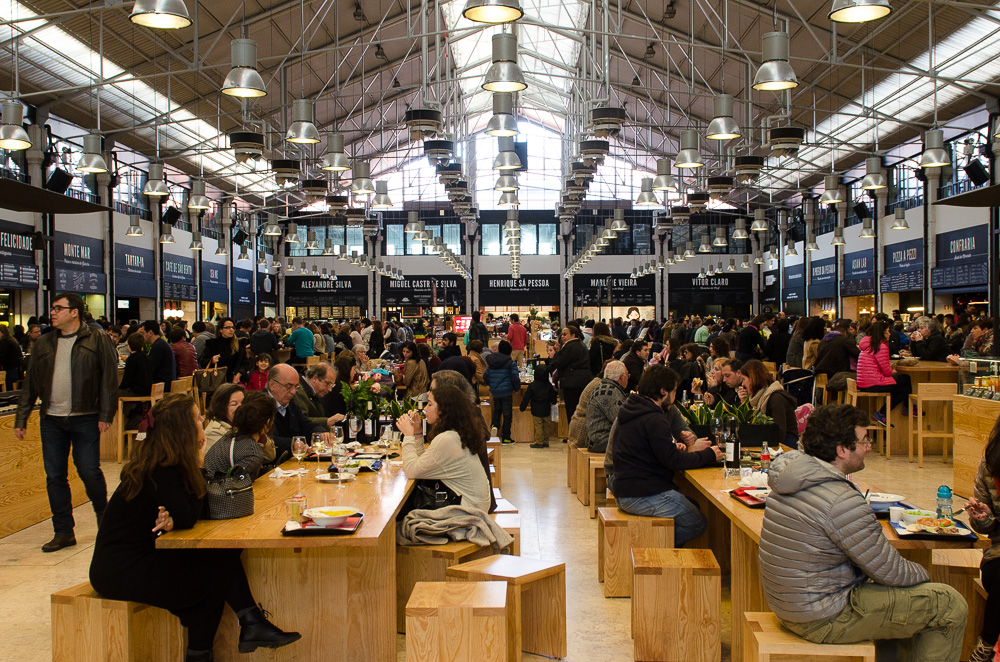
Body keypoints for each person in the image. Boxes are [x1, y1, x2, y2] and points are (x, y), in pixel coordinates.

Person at [89, 393, 300, 662]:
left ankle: (242, 628)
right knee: (213, 575)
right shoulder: (161, 468)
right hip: (121, 569)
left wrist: (178, 515)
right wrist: (199, 462)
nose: (204, 421)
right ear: (184, 430)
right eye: (198, 418)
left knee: (219, 557)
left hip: (144, 555)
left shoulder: (167, 463)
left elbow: (191, 512)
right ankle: (247, 625)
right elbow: (190, 515)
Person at [759, 404, 967, 661]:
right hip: (823, 616)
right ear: (842, 450)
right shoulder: (841, 499)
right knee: (947, 603)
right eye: (864, 440)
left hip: (790, 604)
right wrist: (926, 577)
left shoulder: (791, 479)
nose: (869, 446)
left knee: (901, 599)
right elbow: (890, 571)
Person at [14, 293, 118, 552]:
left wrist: (106, 414)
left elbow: (108, 377)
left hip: (85, 417)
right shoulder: (44, 342)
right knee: (55, 476)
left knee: (89, 471)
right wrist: (22, 416)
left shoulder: (97, 339)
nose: (53, 312)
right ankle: (63, 531)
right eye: (52, 308)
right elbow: (32, 382)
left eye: (58, 308)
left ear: (75, 312)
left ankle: (104, 520)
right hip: (52, 419)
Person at [611, 365, 723, 545]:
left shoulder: (634, 410)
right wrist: (709, 454)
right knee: (697, 523)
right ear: (663, 391)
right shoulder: (654, 418)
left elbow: (655, 452)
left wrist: (673, 448)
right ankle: (647, 549)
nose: (675, 396)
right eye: (674, 391)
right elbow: (673, 461)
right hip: (641, 493)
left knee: (693, 505)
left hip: (627, 488)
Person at [396, 383, 491, 512]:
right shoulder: (455, 433)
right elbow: (423, 466)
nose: (425, 409)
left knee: (403, 524)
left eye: (430, 404)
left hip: (467, 511)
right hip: (472, 505)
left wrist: (408, 436)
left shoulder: (448, 439)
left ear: (443, 409)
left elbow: (412, 471)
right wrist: (417, 432)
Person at [964, 414, 1000, 662]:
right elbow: (985, 528)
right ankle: (986, 646)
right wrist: (983, 518)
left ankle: (986, 644)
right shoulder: (990, 464)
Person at [203, 390, 277, 482]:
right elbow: (236, 484)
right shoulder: (253, 453)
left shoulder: (231, 436)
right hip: (217, 494)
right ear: (268, 422)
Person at [858, 320, 912, 427]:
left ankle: (907, 408)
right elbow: (887, 373)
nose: (890, 333)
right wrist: (893, 371)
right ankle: (884, 412)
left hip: (863, 383)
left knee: (902, 383)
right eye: (887, 331)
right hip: (873, 384)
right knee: (905, 381)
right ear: (882, 333)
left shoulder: (868, 344)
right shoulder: (880, 346)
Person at [266, 363, 328, 456]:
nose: (293, 392)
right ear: (272, 385)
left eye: (296, 387)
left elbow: (305, 424)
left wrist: (322, 433)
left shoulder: (290, 404)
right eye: (289, 386)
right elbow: (264, 439)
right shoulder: (260, 406)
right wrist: (292, 444)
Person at [739, 360, 800, 445]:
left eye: (744, 379)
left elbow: (780, 434)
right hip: (770, 440)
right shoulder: (758, 397)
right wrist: (743, 402)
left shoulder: (776, 398)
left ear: (753, 379)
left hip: (785, 443)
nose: (742, 384)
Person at [547, 325, 591, 421]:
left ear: (573, 335)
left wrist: (558, 353)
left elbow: (559, 363)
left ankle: (572, 434)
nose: (562, 336)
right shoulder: (582, 345)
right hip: (584, 381)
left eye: (565, 334)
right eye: (562, 334)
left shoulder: (569, 346)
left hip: (571, 383)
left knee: (572, 412)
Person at [585, 360, 628, 454]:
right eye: (627, 376)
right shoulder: (610, 392)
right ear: (622, 377)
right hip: (600, 441)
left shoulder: (606, 387)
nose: (628, 379)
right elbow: (621, 420)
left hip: (597, 439)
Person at [484, 340, 521, 445]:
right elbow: (515, 377)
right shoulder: (510, 363)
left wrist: (491, 384)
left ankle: (494, 427)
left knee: (497, 411)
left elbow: (485, 376)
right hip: (507, 392)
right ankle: (506, 438)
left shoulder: (491, 362)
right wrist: (516, 388)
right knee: (507, 414)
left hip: (495, 392)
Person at [293, 362, 346, 430]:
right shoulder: (299, 392)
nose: (330, 389)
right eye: (328, 384)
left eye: (332, 385)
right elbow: (301, 421)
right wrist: (327, 421)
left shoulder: (314, 393)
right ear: (315, 378)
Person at [519, 363, 558, 448]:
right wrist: (554, 401)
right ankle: (545, 441)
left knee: (538, 426)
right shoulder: (549, 385)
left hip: (536, 409)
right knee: (546, 426)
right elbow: (553, 398)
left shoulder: (532, 385)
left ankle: (539, 442)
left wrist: (522, 407)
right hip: (546, 408)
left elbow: (526, 397)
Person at [200, 317, 247, 383]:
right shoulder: (212, 344)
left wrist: (239, 374)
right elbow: (203, 362)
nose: (231, 330)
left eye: (232, 327)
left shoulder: (239, 344)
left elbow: (245, 363)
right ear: (220, 330)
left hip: (234, 380)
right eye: (227, 327)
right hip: (217, 380)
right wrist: (212, 360)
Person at [202, 383, 246, 452]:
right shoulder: (213, 433)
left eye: (243, 402)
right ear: (222, 407)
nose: (241, 407)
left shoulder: (244, 423)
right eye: (234, 404)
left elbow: (268, 454)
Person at [141, 320, 177, 388]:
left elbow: (150, 369)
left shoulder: (158, 346)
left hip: (162, 386)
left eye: (143, 333)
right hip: (167, 383)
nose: (142, 336)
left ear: (150, 332)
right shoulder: (161, 343)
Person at [0, 322, 24, 389]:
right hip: (16, 368)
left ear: (1, 332)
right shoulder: (12, 340)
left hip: (9, 369)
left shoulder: (3, 342)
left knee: (9, 389)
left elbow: (2, 357)